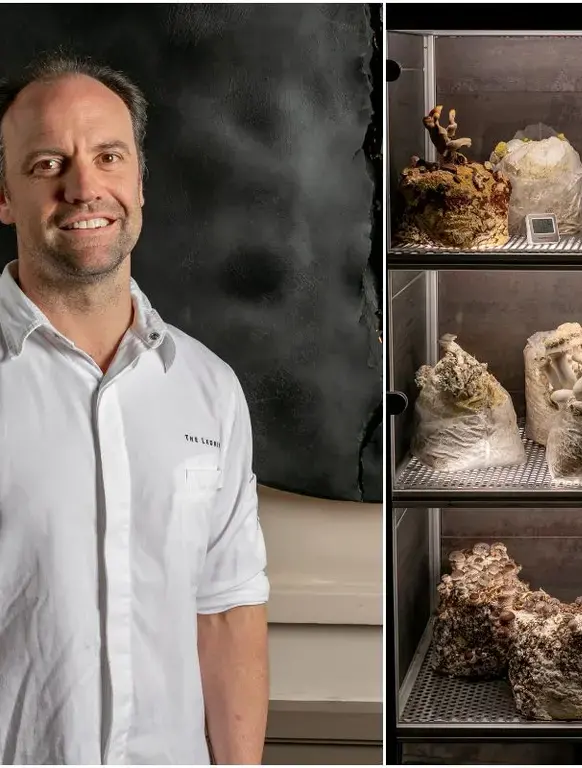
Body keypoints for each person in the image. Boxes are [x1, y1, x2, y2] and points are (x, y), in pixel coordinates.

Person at [0, 51, 269, 765]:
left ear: (140, 183)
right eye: (47, 164)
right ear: (3, 195)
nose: (84, 187)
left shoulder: (209, 388)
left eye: (108, 157)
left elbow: (228, 609)